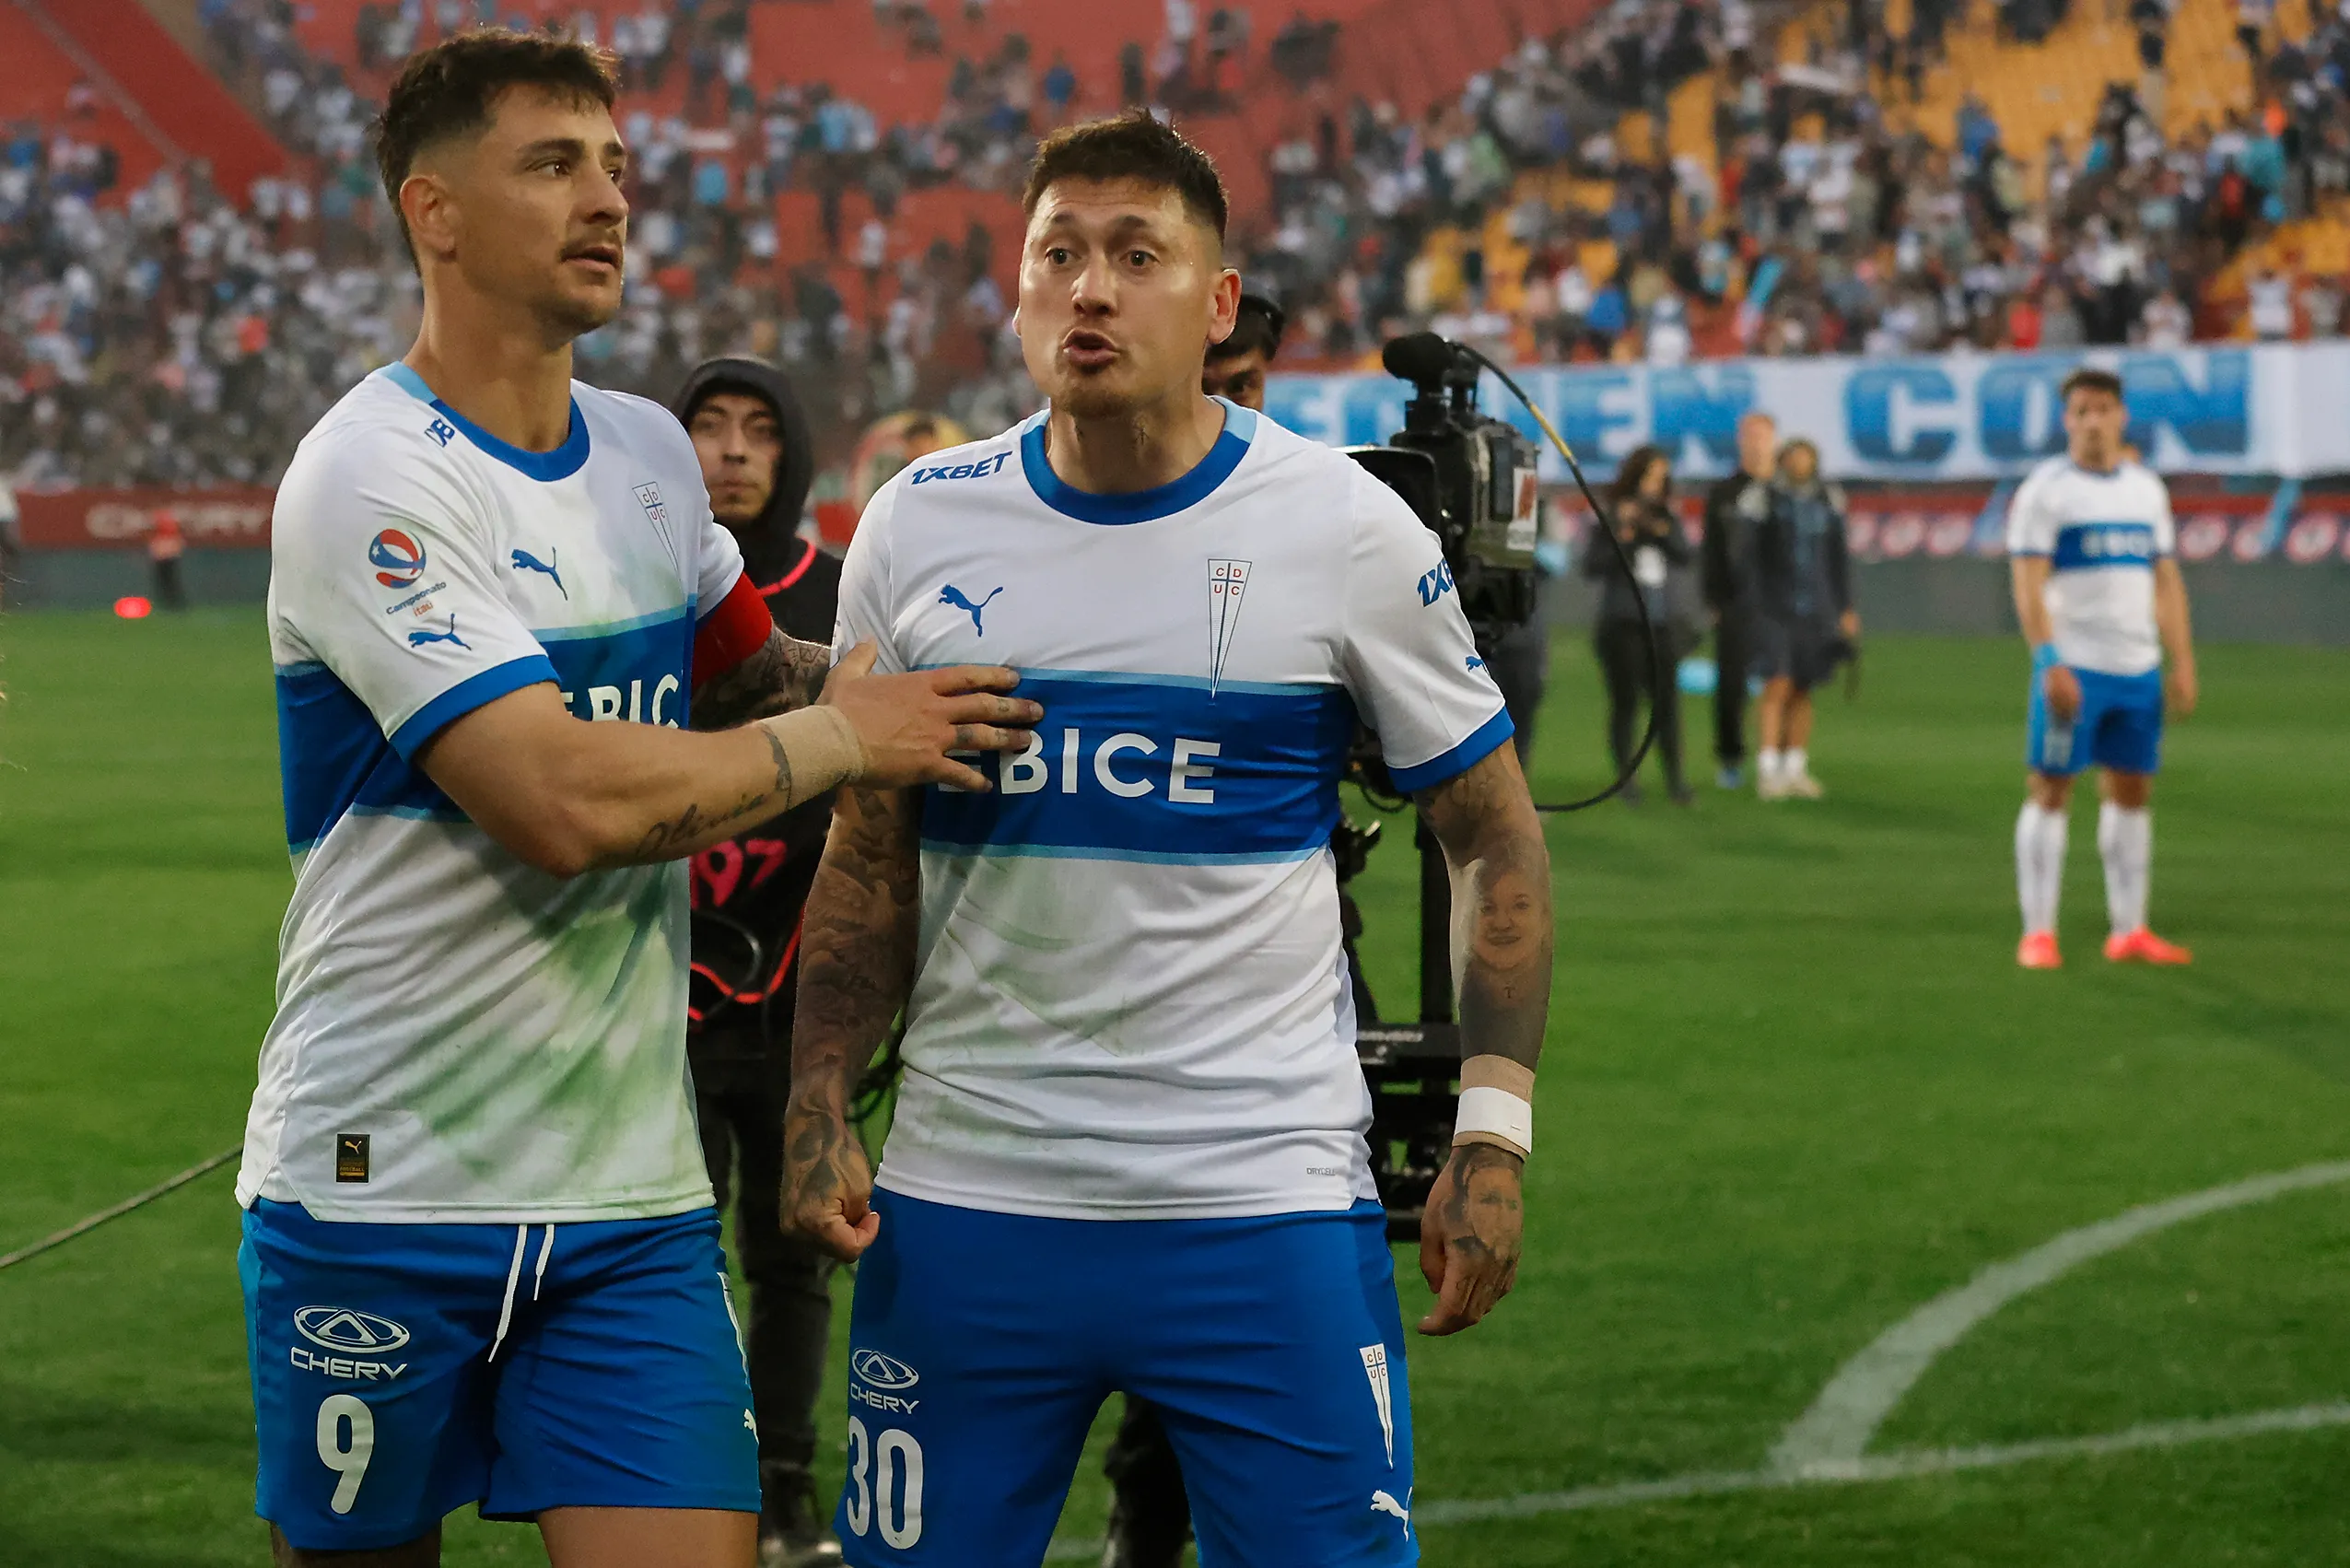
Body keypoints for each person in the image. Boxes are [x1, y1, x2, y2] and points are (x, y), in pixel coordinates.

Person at [235, 32, 1039, 1568]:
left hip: (628, 1200)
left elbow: (762, 682)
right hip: (382, 1182)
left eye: (614, 165)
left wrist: (993, 689)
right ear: (436, 213)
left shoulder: (651, 456)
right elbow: (556, 798)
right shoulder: (370, 476)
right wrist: (851, 738)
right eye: (552, 164)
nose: (606, 198)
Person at [781, 111, 1554, 1568]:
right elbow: (866, 855)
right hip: (968, 1202)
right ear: (1016, 296)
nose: (1089, 288)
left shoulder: (1341, 527)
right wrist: (819, 1089)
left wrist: (1489, 1134)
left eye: (1136, 255)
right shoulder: (914, 526)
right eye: (1057, 254)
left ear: (1213, 308)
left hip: (1261, 1207)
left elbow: (1492, 836)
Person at [671, 356, 847, 1568]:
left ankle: (785, 1483)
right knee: (672, 1253)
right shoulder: (635, 590)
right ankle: (691, 1476)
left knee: (791, 1257)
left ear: (792, 456)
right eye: (708, 427)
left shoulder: (836, 594)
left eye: (757, 432)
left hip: (797, 991)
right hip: (650, 995)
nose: (731, 452)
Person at [2006, 366, 2198, 968]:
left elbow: (2165, 579)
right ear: (2067, 421)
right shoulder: (2046, 490)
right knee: (2049, 787)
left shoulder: (2145, 491)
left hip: (2136, 667)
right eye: (2081, 411)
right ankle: (2038, 931)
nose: (2092, 421)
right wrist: (2047, 659)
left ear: (2121, 416)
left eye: (2102, 409)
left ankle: (2129, 929)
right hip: (2075, 668)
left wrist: (2181, 659)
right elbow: (2027, 583)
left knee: (2132, 790)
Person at [1583, 443, 1696, 805]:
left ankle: (1676, 779)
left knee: (1667, 704)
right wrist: (1624, 533)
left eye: (1661, 478)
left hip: (1660, 621)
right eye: (1650, 477)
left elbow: (1684, 554)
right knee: (1626, 702)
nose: (1654, 486)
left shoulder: (1666, 516)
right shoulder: (1614, 514)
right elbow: (1593, 565)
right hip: (1623, 621)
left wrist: (1659, 529)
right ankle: (1626, 779)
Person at [1751, 438, 1858, 800]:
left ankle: (1795, 767)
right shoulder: (1768, 500)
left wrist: (1845, 607)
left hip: (1816, 608)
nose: (1800, 465)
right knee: (1777, 684)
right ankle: (1768, 769)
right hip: (1776, 608)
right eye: (1794, 458)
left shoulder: (1827, 501)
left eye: (1806, 458)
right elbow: (1751, 556)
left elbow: (1838, 558)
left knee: (1804, 687)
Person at [1701, 411, 1774, 789]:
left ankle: (1776, 759)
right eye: (1750, 437)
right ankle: (1730, 757)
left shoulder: (1784, 491)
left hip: (1779, 604)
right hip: (1736, 602)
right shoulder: (1725, 493)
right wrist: (1712, 599)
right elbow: (1712, 549)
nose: (1756, 444)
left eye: (1762, 437)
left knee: (1782, 682)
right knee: (1731, 685)